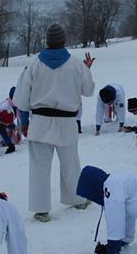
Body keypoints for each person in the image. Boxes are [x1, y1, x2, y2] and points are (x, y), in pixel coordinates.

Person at [12, 23, 95, 222]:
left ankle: (41, 210)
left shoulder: (33, 64)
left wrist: (24, 122)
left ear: (47, 41)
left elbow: (22, 99)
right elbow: (88, 90)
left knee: (39, 167)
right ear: (64, 40)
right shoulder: (76, 64)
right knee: (70, 164)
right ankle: (77, 199)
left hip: (40, 123)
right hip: (66, 123)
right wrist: (86, 70)